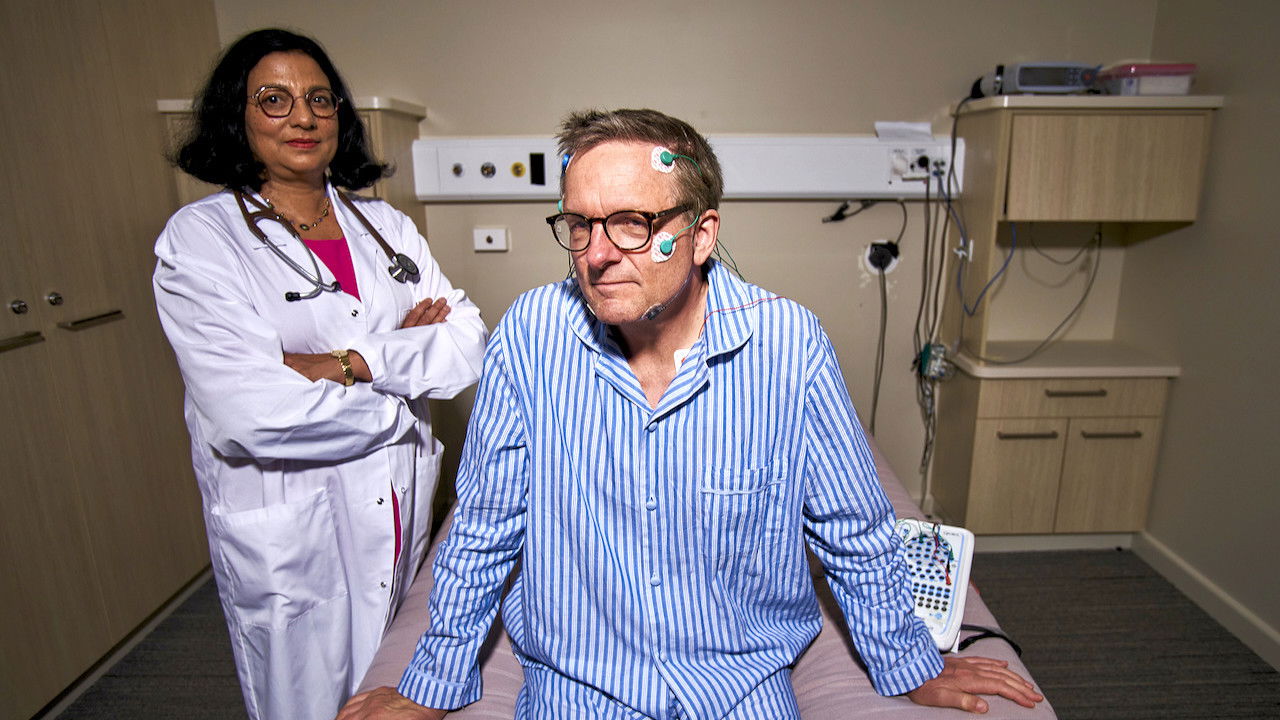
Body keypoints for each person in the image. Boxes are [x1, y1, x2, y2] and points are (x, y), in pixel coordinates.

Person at [338, 109, 1041, 719]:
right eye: (579, 225)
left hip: (740, 679)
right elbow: (485, 524)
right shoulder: (532, 335)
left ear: (702, 235)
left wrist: (909, 662)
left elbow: (853, 526)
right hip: (579, 680)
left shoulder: (787, 346)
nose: (597, 255)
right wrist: (432, 682)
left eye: (633, 224)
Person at [152, 28, 487, 720]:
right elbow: (252, 412)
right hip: (292, 522)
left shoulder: (386, 226)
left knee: (393, 682)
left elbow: (466, 345)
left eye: (319, 99)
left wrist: (349, 364)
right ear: (237, 116)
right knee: (305, 700)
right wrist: (399, 390)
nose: (302, 117)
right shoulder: (202, 239)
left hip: (397, 501)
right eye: (274, 99)